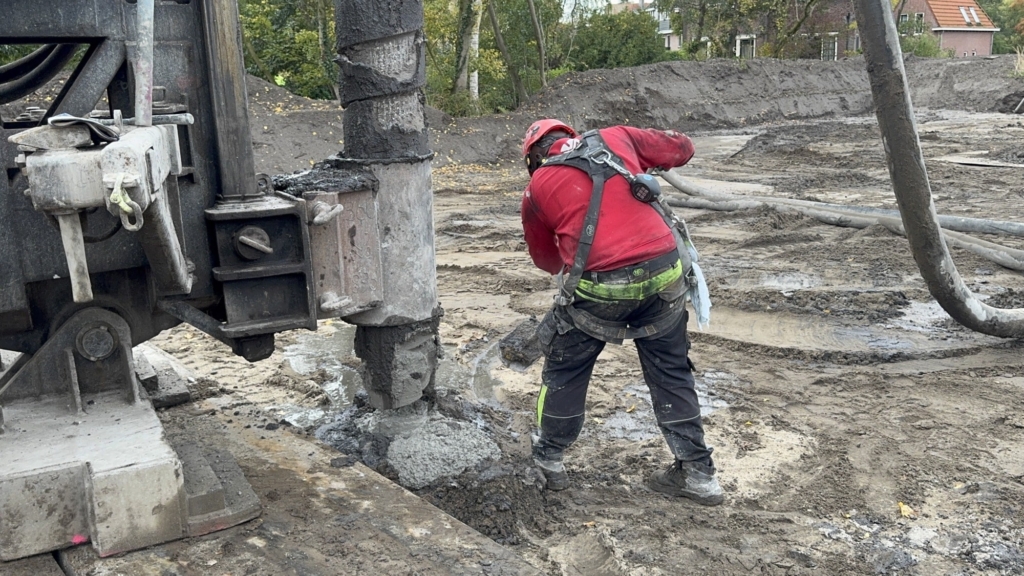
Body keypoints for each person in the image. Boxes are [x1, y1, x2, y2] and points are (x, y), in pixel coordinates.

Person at [520, 119, 723, 506]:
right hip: (665, 275)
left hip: (600, 289)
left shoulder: (536, 189)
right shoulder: (616, 138)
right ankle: (698, 475)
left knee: (566, 369)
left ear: (533, 159)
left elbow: (548, 262)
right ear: (570, 135)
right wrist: (641, 162)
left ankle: (549, 460)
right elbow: (682, 148)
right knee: (671, 370)